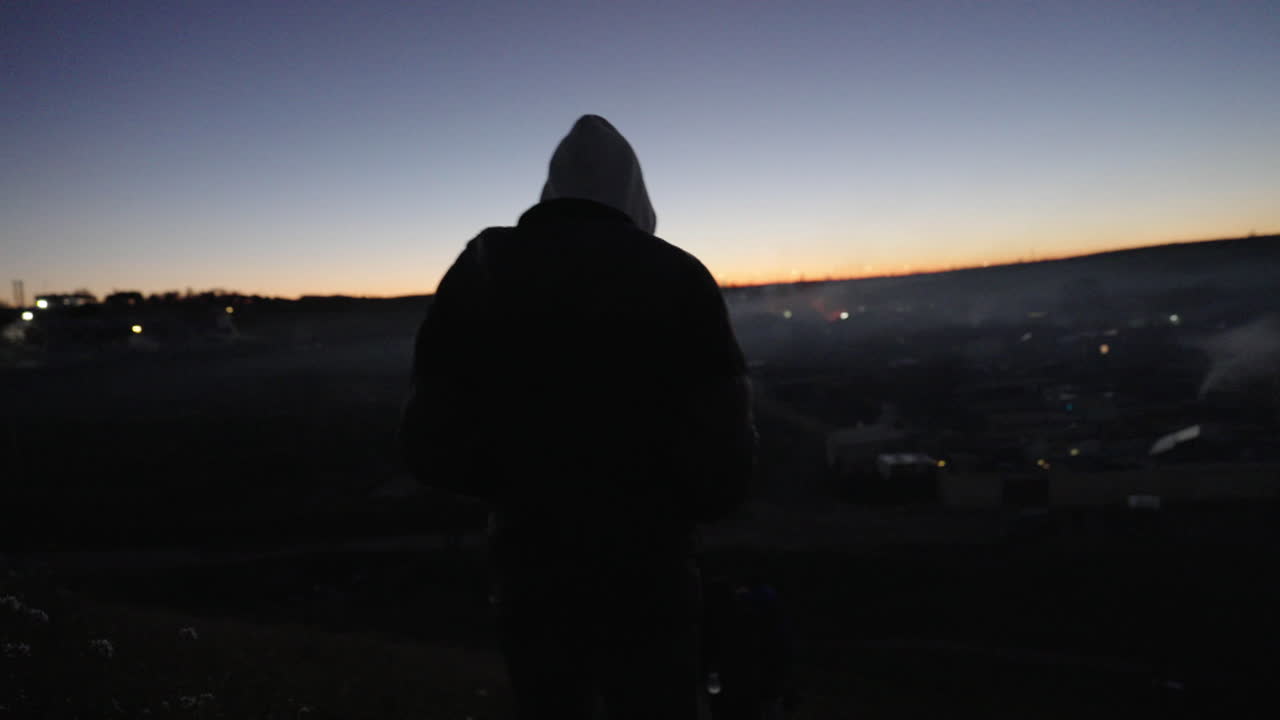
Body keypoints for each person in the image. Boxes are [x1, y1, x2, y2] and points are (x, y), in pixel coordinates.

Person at [399, 114, 757, 719]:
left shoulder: (483, 267)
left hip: (529, 563)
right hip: (651, 566)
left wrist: (516, 485)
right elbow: (724, 450)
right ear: (634, 193)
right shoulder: (677, 274)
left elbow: (429, 436)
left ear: (552, 187)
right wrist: (668, 503)